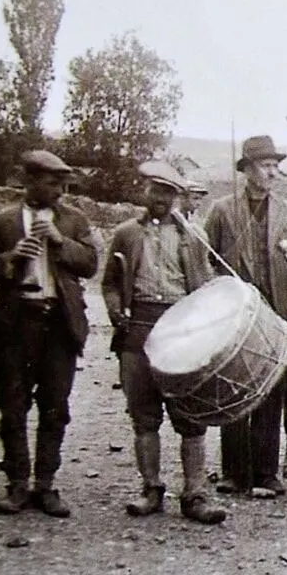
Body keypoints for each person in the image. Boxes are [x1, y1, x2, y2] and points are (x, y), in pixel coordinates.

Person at [102, 162, 226, 524]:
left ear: (178, 197)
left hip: (180, 329)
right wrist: (115, 311)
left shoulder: (193, 236)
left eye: (169, 193)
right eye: (156, 190)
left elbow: (203, 290)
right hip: (137, 328)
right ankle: (151, 489)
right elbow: (109, 282)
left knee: (190, 414)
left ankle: (195, 494)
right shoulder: (126, 233)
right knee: (143, 415)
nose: (161, 199)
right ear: (146, 191)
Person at [0, 149, 99, 518]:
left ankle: (46, 484)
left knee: (55, 406)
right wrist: (11, 258)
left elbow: (90, 264)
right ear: (30, 181)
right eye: (52, 184)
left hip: (58, 324)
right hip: (16, 322)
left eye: (63, 184)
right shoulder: (3, 221)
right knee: (12, 404)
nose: (60, 192)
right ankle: (17, 483)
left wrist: (59, 241)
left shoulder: (74, 219)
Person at [204, 135, 287, 497]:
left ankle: (266, 472)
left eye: (274, 166)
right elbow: (207, 265)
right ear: (247, 169)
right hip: (236, 318)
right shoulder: (222, 211)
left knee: (270, 393)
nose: (272, 172)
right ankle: (233, 472)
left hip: (277, 318)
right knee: (233, 391)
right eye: (265, 165)